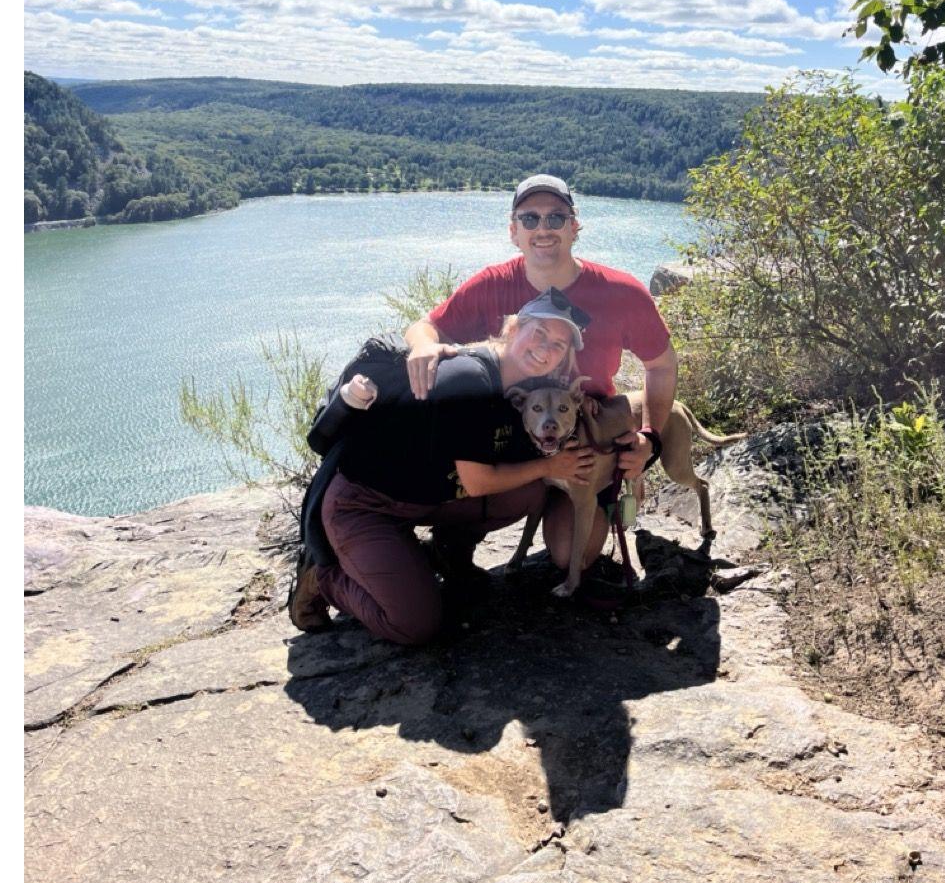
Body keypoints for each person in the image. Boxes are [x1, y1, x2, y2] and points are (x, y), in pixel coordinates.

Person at [403, 173, 678, 574]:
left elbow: (662, 365)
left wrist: (650, 438)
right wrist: (424, 346)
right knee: (461, 477)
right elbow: (425, 326)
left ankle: (579, 499)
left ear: (574, 226)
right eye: (530, 219)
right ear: (514, 231)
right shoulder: (493, 285)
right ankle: (453, 538)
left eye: (556, 217)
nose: (543, 228)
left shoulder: (621, 293)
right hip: (511, 441)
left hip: (585, 441)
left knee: (572, 557)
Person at [290, 290, 598, 644]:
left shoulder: (521, 386)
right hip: (365, 505)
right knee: (414, 624)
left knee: (526, 494)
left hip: (428, 497)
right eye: (539, 334)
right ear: (513, 330)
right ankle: (323, 577)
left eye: (559, 345)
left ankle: (445, 553)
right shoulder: (470, 382)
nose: (546, 349)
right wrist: (553, 466)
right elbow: (479, 482)